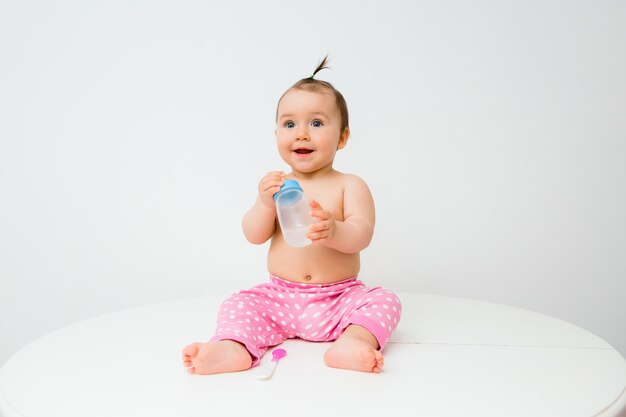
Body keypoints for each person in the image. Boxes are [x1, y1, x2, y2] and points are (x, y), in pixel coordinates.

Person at [182, 57, 402, 374]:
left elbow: (362, 233)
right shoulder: (277, 187)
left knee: (385, 300)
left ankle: (354, 341)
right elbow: (253, 234)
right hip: (279, 297)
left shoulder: (348, 185)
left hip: (337, 298)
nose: (301, 134)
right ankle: (233, 348)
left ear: (342, 137)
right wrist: (263, 203)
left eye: (316, 123)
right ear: (276, 135)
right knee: (238, 303)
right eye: (289, 124)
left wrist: (335, 230)